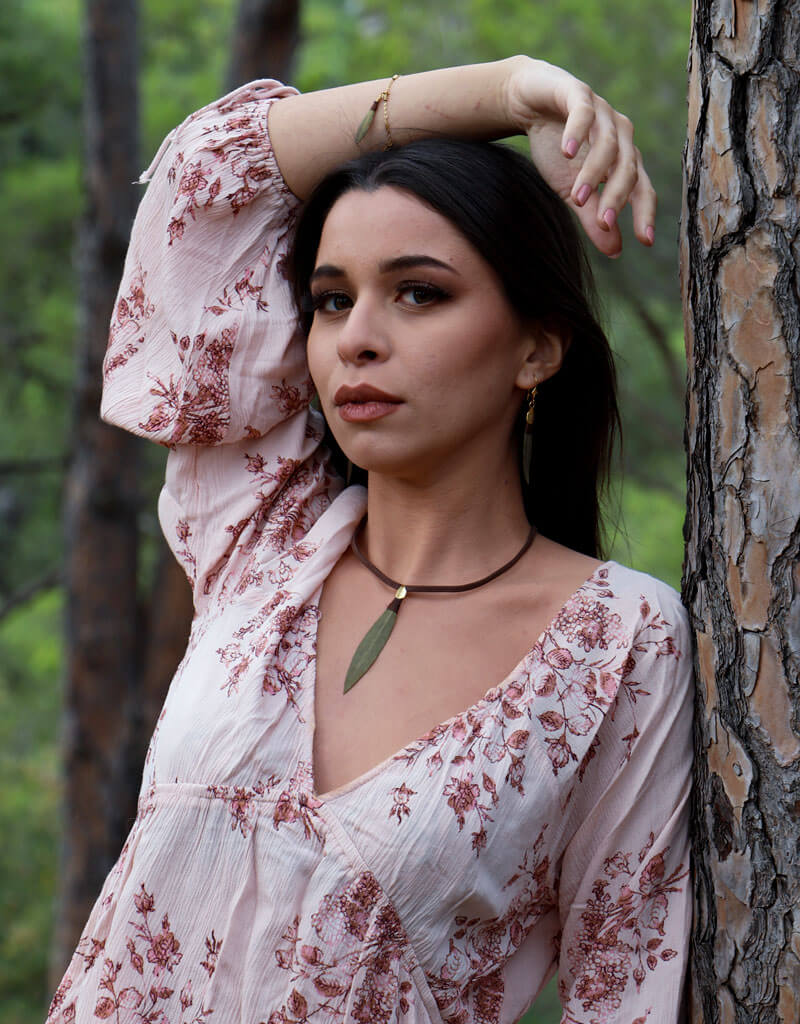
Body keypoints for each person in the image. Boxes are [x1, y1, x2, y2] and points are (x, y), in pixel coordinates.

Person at [47, 57, 693, 1024]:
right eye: (332, 299)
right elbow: (204, 180)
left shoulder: (618, 646)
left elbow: (627, 988)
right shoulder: (263, 536)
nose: (356, 338)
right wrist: (508, 94)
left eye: (419, 293)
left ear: (536, 348)